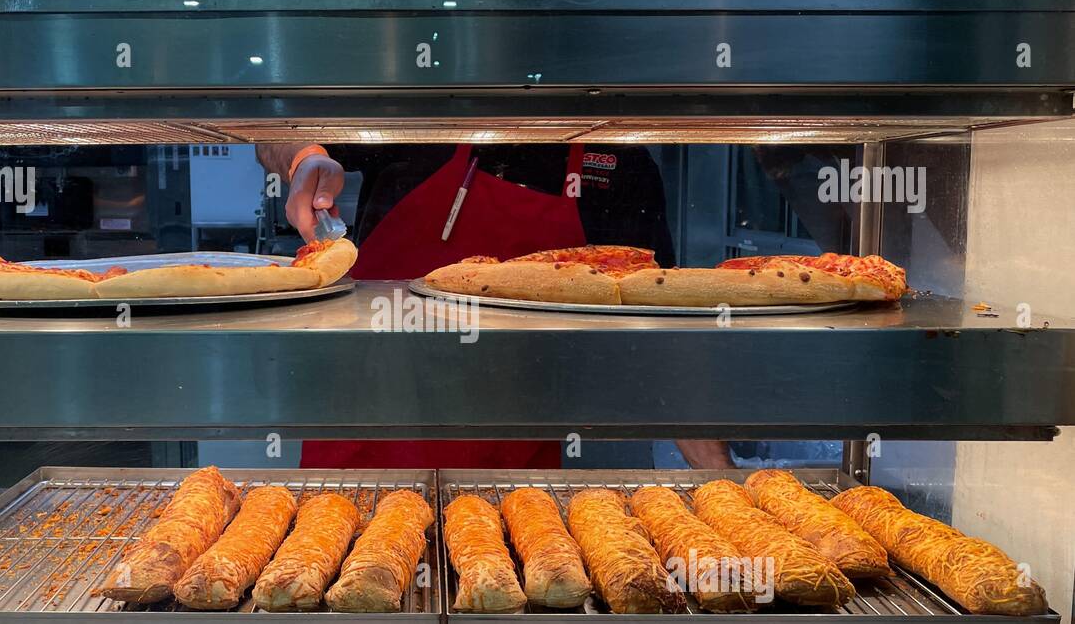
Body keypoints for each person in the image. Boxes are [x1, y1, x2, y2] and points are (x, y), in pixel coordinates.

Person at [255, 139, 733, 471]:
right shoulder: (419, 114)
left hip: (509, 466)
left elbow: (665, 335)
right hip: (364, 431)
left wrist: (719, 476)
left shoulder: (615, 164)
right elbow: (272, 132)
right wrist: (305, 161)